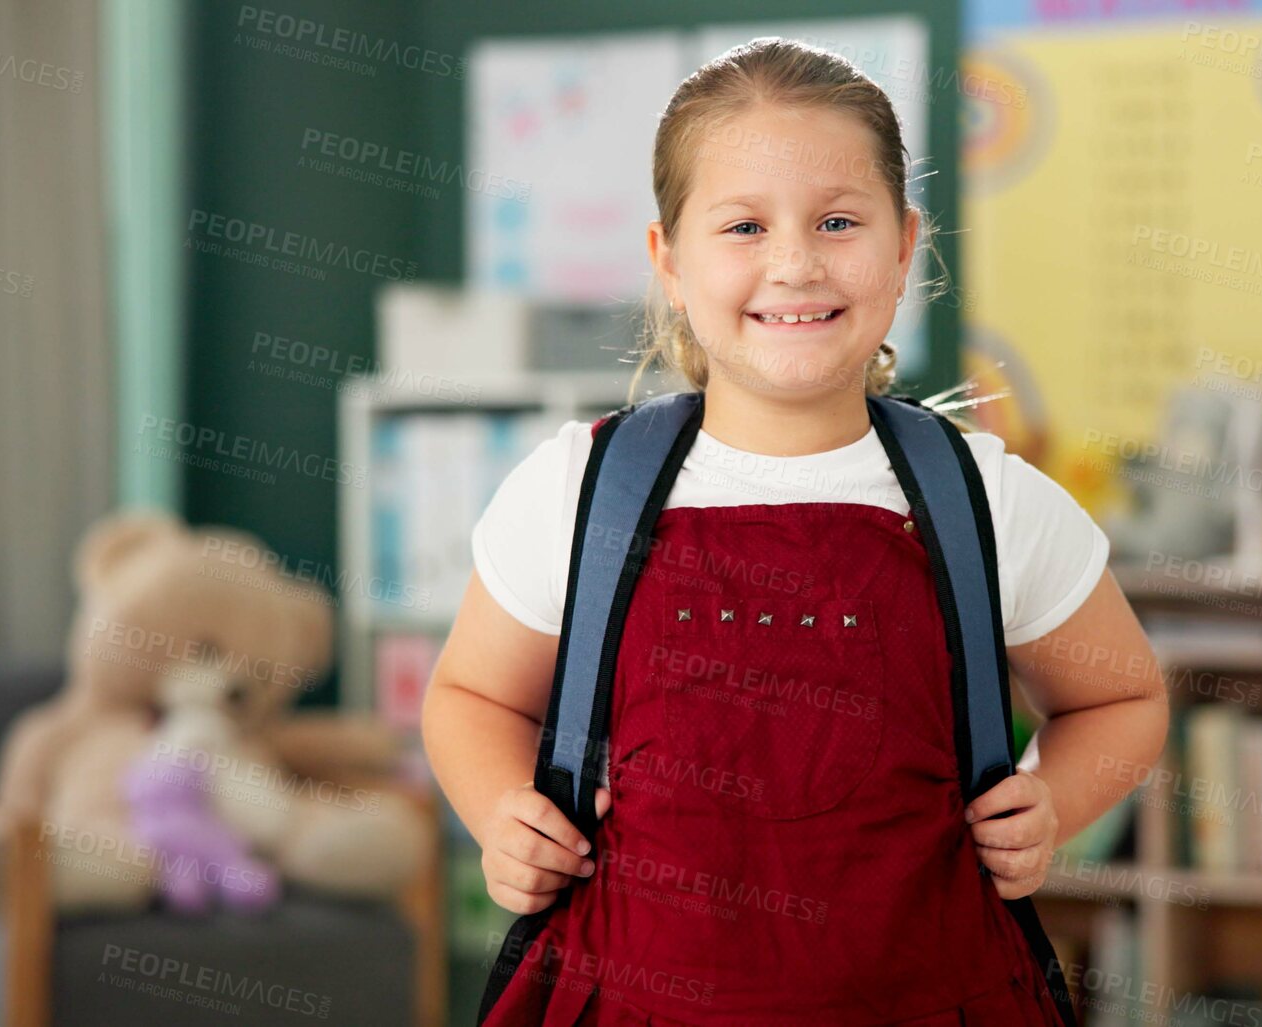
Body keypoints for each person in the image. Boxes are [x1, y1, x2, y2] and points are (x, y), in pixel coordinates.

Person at [424, 37, 1169, 1026]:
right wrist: (499, 812)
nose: (794, 263)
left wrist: (1055, 805)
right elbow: (471, 694)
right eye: (742, 225)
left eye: (837, 221)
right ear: (669, 261)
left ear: (905, 247)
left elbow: (1122, 696)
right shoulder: (578, 488)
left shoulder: (985, 498)